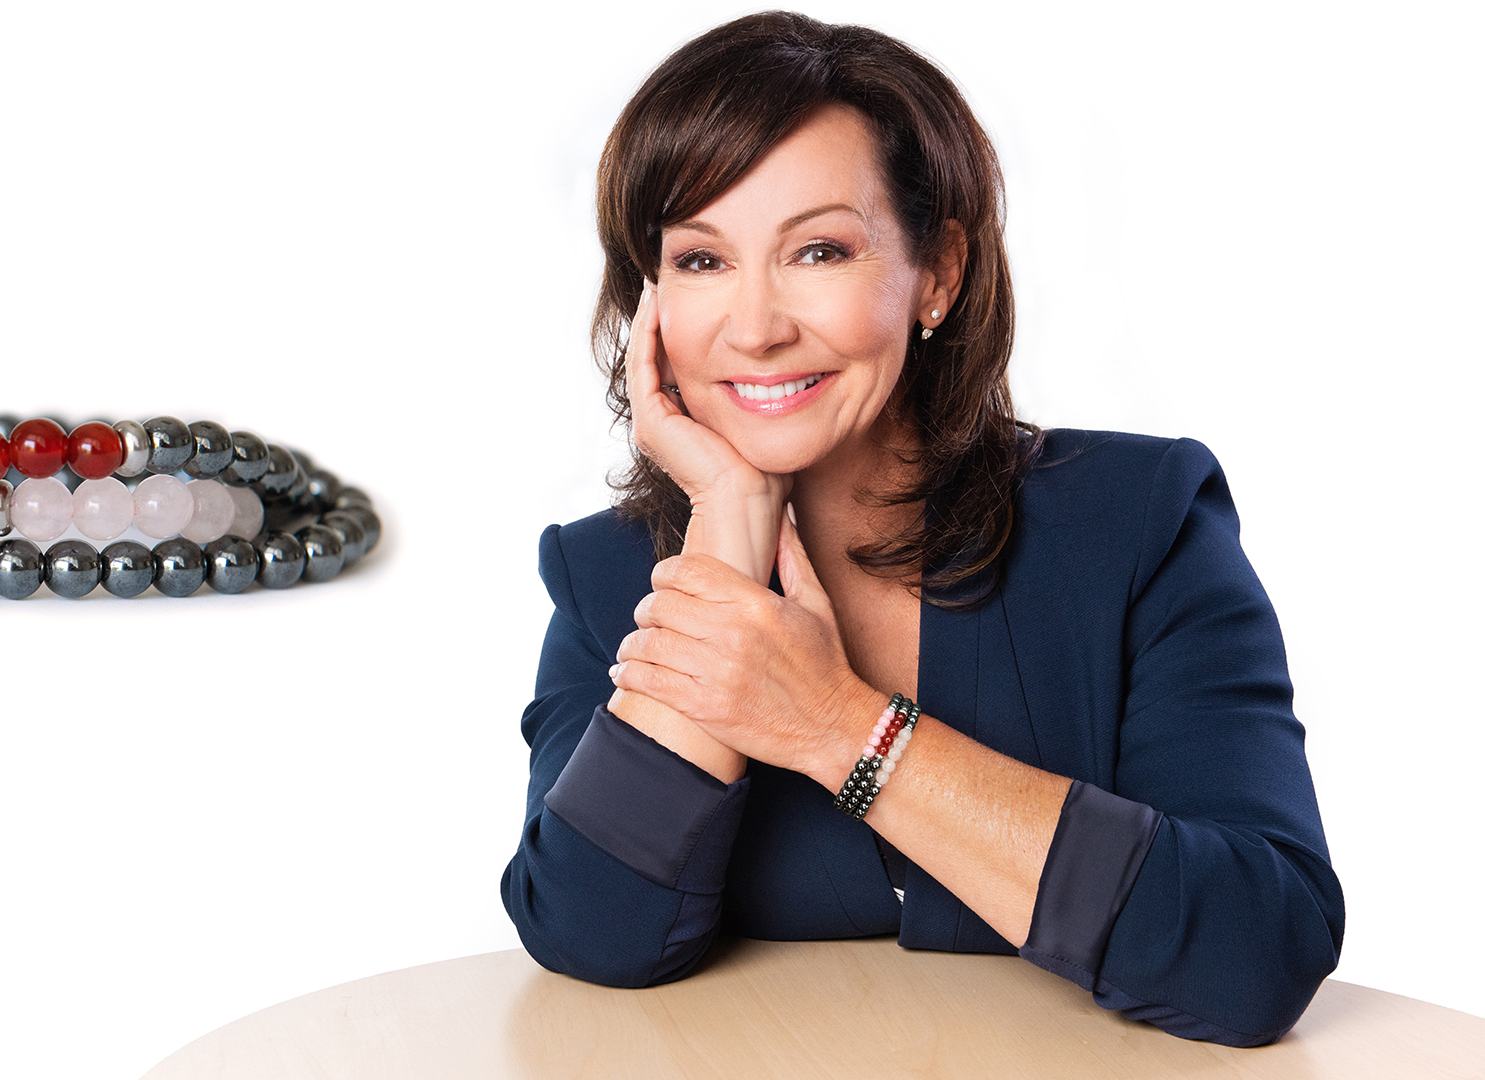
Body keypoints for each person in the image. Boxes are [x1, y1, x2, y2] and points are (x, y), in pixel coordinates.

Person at [499, 11, 1342, 1048]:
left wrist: (836, 725)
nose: (755, 326)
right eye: (701, 261)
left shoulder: (1137, 522)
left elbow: (1258, 948)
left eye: (817, 250)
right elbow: (592, 937)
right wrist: (725, 532)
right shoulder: (605, 576)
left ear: (936, 273)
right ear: (651, 299)